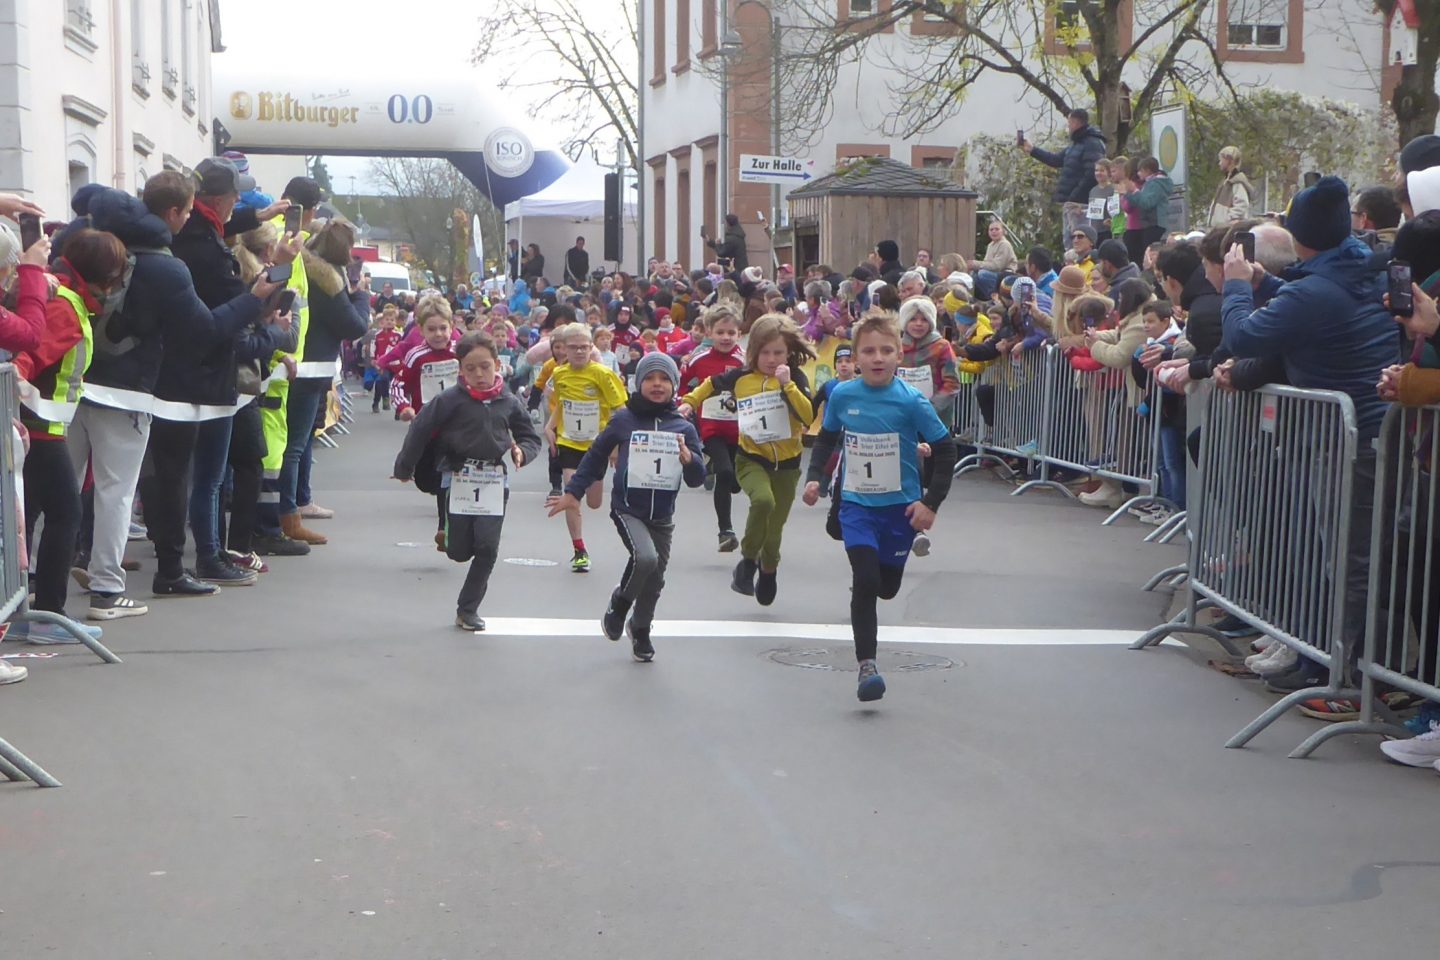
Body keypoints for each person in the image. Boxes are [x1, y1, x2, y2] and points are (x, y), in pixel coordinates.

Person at [1217, 176, 1401, 707]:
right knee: (1345, 557)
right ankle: (1328, 663)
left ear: (1299, 235)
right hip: (1362, 433)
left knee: (1348, 562)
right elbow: (1315, 302)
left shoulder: (1316, 289)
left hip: (1343, 441)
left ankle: (1344, 679)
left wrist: (1236, 286)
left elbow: (1243, 337)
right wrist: (1264, 282)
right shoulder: (1358, 268)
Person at [80, 177, 274, 615]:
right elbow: (205, 329)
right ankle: (115, 587)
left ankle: (44, 585)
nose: (188, 219)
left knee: (64, 490)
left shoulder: (86, 247)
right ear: (171, 213)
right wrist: (254, 299)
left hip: (74, 382)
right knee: (129, 487)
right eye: (186, 211)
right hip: (140, 389)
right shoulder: (165, 265)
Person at [801, 311, 957, 701]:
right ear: (855, 358)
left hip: (900, 509)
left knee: (886, 588)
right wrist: (815, 477)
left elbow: (945, 449)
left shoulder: (911, 400)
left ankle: (877, 570)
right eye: (868, 351)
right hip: (856, 505)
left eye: (886, 350)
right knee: (867, 581)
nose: (877, 358)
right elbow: (826, 438)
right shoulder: (843, 395)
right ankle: (867, 667)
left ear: (899, 356)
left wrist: (930, 503)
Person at [168, 156, 294, 587]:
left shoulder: (187, 235)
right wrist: (274, 277)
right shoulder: (209, 250)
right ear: (220, 201)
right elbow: (240, 313)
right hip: (212, 371)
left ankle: (199, 556)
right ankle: (208, 555)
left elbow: (221, 225)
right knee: (209, 476)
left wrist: (260, 215)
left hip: (185, 367)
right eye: (236, 200)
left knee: (192, 476)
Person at [549, 351, 705, 661]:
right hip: (628, 508)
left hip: (662, 515)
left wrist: (690, 459)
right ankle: (620, 603)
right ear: (638, 383)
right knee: (645, 558)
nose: (657, 384)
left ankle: (640, 628)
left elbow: (697, 478)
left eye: (664, 379)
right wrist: (573, 492)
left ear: (674, 385)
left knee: (655, 579)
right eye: (650, 378)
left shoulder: (683, 428)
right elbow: (595, 455)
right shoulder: (624, 420)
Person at [15, 228, 125, 642]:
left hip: (36, 428)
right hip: (40, 431)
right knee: (66, 516)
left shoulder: (62, 297)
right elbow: (28, 358)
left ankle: (24, 611)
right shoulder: (66, 306)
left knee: (29, 519)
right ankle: (48, 615)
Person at [393, 332, 541, 632]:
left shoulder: (508, 401)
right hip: (457, 476)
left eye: (485, 366)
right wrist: (404, 467)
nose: (479, 374)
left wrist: (522, 452)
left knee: (487, 547)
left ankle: (468, 609)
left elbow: (529, 436)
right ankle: (449, 536)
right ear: (460, 369)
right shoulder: (449, 400)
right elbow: (419, 430)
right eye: (470, 368)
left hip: (494, 480)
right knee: (459, 552)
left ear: (497, 364)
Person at [679, 314, 814, 606]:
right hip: (751, 458)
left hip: (787, 465)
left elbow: (808, 416)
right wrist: (690, 402)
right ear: (753, 352)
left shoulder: (795, 377)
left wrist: (788, 386)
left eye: (778, 353)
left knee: (774, 532)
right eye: (765, 353)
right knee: (763, 501)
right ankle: (748, 560)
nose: (771, 359)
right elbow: (710, 384)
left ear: (788, 353)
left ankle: (768, 569)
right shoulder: (741, 376)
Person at [546, 322, 629, 573]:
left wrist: (616, 445)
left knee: (594, 502)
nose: (579, 351)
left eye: (584, 347)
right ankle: (579, 550)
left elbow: (620, 410)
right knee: (571, 493)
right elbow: (562, 403)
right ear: (564, 349)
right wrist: (550, 426)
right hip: (569, 441)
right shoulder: (559, 374)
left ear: (592, 347)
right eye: (574, 347)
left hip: (597, 444)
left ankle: (580, 542)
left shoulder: (603, 374)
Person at [678, 303, 745, 551]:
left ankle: (713, 464)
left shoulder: (745, 360)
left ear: (739, 333)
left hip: (740, 430)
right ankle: (725, 531)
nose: (726, 337)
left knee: (735, 482)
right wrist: (684, 405)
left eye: (731, 332)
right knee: (725, 473)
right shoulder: (699, 358)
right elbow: (681, 383)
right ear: (709, 332)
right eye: (720, 332)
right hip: (711, 428)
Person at [1021, 108, 1108, 244]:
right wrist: (1032, 150)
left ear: (1075, 123)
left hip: (1080, 205)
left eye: (1069, 123)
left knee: (1078, 240)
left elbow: (1091, 174)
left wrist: (1075, 197)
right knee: (1069, 240)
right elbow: (1056, 160)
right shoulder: (1076, 144)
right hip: (1070, 203)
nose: (1068, 127)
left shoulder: (1092, 144)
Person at [1207, 146, 1253, 227]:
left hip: (1227, 230)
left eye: (1221, 160)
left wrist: (1227, 221)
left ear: (1229, 160)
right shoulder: (1226, 182)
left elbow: (1242, 205)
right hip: (1220, 229)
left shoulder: (1237, 182)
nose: (1219, 163)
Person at [1087, 158, 1115, 243]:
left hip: (1108, 231)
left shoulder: (1113, 189)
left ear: (1109, 172)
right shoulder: (1093, 190)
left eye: (1102, 170)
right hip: (1094, 232)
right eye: (1096, 170)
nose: (1098, 173)